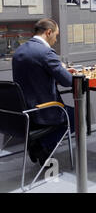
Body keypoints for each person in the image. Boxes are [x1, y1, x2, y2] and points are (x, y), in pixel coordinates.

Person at [12, 19, 75, 165]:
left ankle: (39, 144)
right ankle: (43, 146)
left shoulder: (19, 51)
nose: (56, 39)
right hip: (44, 111)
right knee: (77, 116)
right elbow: (68, 81)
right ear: (48, 32)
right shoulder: (46, 52)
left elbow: (35, 76)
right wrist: (62, 68)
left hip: (25, 111)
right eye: (56, 35)